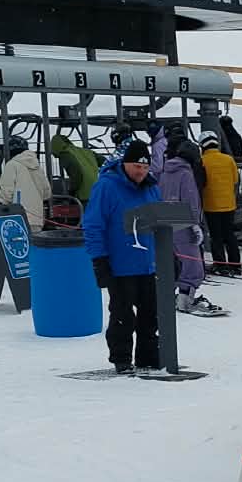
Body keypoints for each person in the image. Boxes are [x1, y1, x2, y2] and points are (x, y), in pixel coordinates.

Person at [82, 136, 164, 375]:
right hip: (120, 264)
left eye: (145, 167)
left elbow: (162, 222)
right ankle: (121, 358)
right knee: (122, 314)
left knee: (151, 314)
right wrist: (99, 259)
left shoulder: (152, 188)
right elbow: (93, 225)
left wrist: (169, 255)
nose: (141, 171)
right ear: (125, 164)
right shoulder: (107, 186)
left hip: (148, 264)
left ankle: (148, 356)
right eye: (137, 166)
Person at [161, 135, 223, 316]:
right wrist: (195, 225)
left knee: (173, 264)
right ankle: (185, 300)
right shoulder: (185, 174)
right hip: (184, 227)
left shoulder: (164, 173)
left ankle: (169, 296)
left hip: (166, 225)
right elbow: (191, 201)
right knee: (193, 266)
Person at [198, 131, 242, 277]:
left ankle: (221, 264)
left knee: (216, 236)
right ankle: (236, 265)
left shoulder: (202, 161)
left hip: (210, 205)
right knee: (230, 235)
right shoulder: (228, 160)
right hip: (229, 204)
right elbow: (236, 180)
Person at [0, 136, 50, 234]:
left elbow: (7, 194)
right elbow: (47, 193)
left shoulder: (12, 165)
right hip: (37, 219)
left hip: (18, 217)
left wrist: (0, 202)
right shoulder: (37, 166)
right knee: (34, 245)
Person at [51, 133, 102, 204]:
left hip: (83, 195)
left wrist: (71, 192)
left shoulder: (65, 155)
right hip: (97, 190)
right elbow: (105, 162)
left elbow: (76, 174)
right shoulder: (86, 151)